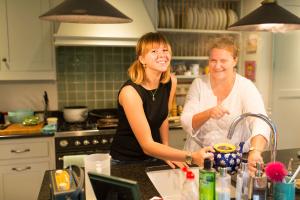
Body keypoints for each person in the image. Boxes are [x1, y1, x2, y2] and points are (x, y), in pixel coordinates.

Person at [110, 32, 214, 168]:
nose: (162, 55)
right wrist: (191, 156)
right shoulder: (130, 92)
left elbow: (163, 117)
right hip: (126, 162)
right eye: (154, 51)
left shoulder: (171, 82)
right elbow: (147, 145)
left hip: (155, 157)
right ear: (142, 59)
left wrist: (166, 151)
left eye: (165, 50)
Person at [180, 36, 270, 173]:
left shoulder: (246, 87)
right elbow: (186, 121)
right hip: (200, 159)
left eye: (223, 61)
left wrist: (255, 151)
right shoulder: (199, 84)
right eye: (213, 60)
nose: (217, 66)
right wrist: (208, 113)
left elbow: (260, 122)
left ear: (235, 60)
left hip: (233, 162)